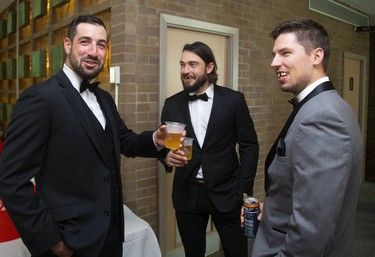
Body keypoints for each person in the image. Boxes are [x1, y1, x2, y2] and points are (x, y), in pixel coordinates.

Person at [0, 15, 170, 257]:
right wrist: (52, 241)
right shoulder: (40, 98)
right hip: (69, 242)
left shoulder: (104, 99)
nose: (93, 51)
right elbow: (11, 180)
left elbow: (124, 140)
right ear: (68, 45)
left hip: (111, 235)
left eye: (101, 45)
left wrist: (155, 139)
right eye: (85, 42)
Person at [248, 19, 362, 257]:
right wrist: (271, 209)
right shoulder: (322, 106)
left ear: (316, 56)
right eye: (274, 54)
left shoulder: (323, 117)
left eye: (285, 53)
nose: (274, 63)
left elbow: (313, 229)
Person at [161, 41, 259, 257]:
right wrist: (167, 157)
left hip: (227, 193)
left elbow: (249, 146)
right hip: (187, 194)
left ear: (210, 67)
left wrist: (242, 190)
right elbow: (165, 147)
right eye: (182, 64)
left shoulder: (233, 100)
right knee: (193, 253)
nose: (185, 71)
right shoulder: (171, 104)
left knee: (237, 252)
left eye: (193, 64)